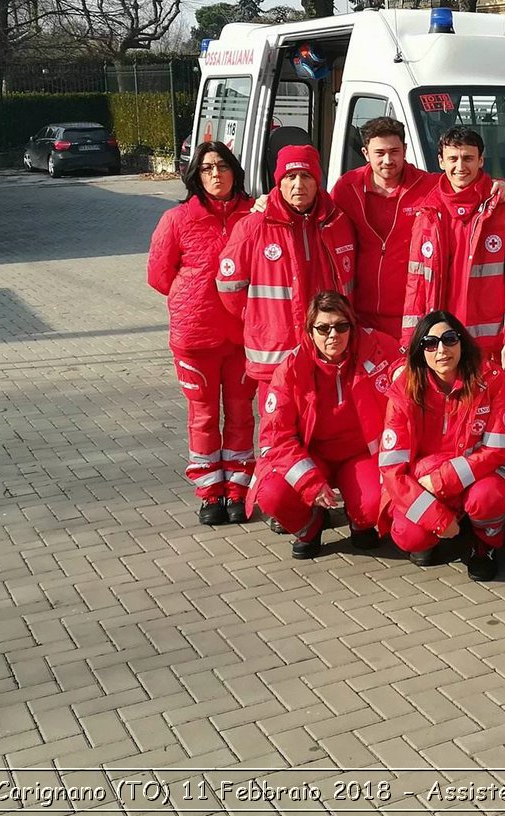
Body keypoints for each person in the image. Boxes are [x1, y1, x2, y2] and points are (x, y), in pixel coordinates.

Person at [146, 140, 255, 525]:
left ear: (235, 172)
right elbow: (159, 275)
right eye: (207, 168)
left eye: (222, 167)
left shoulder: (254, 214)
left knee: (242, 414)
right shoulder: (176, 220)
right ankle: (210, 493)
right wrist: (194, 295)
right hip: (196, 337)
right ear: (195, 174)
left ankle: (239, 489)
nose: (215, 175)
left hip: (244, 336)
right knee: (203, 415)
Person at [217, 144, 357, 425]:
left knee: (324, 427)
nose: (298, 185)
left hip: (326, 351)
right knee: (277, 428)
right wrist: (259, 318)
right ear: (277, 183)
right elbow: (229, 286)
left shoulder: (337, 222)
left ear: (317, 181)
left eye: (306, 177)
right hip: (275, 354)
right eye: (289, 178)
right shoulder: (254, 226)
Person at [254, 292, 400, 559]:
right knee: (272, 493)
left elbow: (412, 373)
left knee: (372, 506)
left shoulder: (379, 348)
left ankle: (360, 521)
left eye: (341, 326)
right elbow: (277, 437)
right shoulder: (291, 368)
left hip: (361, 455)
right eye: (323, 328)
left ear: (352, 327)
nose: (333, 335)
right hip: (312, 456)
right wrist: (309, 482)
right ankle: (310, 526)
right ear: (310, 331)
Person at [380, 312, 505, 580]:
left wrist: (446, 478)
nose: (441, 349)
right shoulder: (404, 388)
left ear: (462, 343)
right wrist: (436, 518)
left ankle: (485, 544)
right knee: (409, 536)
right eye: (430, 343)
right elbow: (392, 468)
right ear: (420, 351)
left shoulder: (491, 378)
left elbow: (499, 450)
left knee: (489, 498)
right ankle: (445, 529)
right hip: (423, 479)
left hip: (478, 475)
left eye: (449, 339)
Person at [402, 129, 505, 375]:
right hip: (440, 345)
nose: (460, 166)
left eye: (468, 158)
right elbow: (415, 283)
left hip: (489, 348)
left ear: (481, 160)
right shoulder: (427, 213)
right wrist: (409, 341)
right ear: (441, 161)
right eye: (453, 159)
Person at [328, 117, 445, 339]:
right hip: (358, 315)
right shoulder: (347, 187)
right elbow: (316, 212)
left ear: (405, 150)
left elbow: (467, 190)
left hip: (411, 317)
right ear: (365, 153)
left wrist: (500, 186)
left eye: (394, 151)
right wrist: (268, 201)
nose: (388, 160)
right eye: (379, 153)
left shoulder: (429, 186)